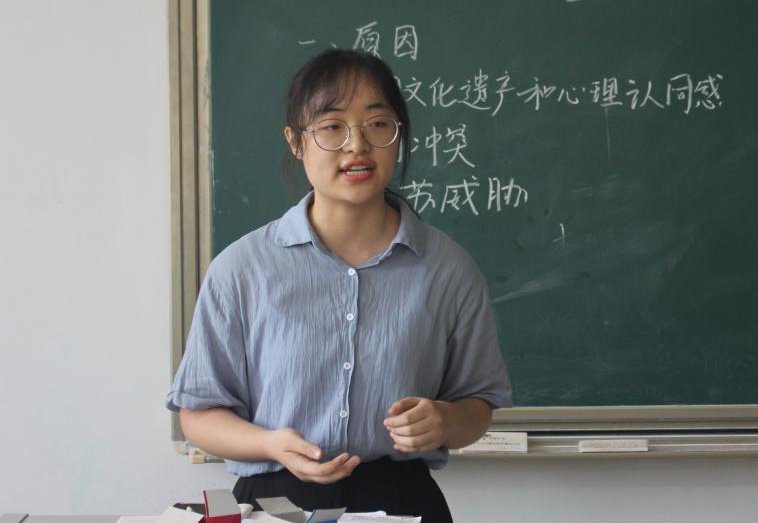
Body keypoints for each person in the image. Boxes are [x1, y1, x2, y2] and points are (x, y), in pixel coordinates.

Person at [166, 49, 512, 522]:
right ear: (296, 141)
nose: (357, 146)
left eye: (377, 124)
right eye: (332, 127)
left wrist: (446, 421)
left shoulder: (447, 268)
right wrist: (270, 443)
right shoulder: (242, 268)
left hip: (402, 503)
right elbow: (198, 414)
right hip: (275, 504)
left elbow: (478, 404)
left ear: (398, 135)